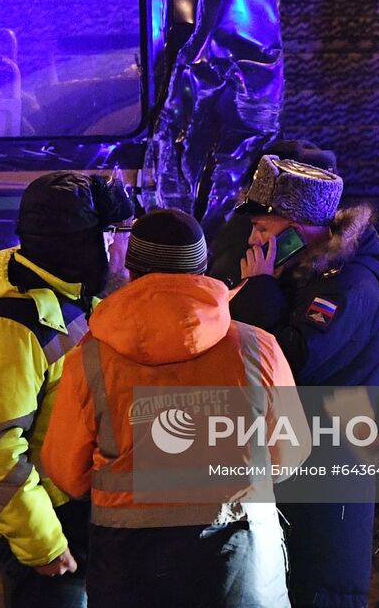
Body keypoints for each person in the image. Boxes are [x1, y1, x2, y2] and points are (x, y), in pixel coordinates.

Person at [42, 208, 304, 608]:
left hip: (131, 572)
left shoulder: (90, 358)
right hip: (240, 564)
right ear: (203, 269)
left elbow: (67, 473)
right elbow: (291, 454)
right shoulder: (257, 347)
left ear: (130, 272)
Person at [0, 171, 133, 608]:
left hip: (82, 519)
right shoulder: (12, 325)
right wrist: (42, 545)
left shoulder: (75, 298)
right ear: (92, 243)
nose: (128, 250)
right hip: (54, 533)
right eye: (121, 235)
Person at [228, 155, 379, 607]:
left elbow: (292, 361)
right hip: (310, 454)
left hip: (329, 463)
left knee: (320, 586)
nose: (254, 239)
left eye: (265, 229)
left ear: (299, 229)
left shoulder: (346, 286)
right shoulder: (311, 277)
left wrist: (258, 290)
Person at [207, 137, 339, 286]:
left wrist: (261, 286)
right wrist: (260, 286)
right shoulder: (247, 237)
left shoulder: (338, 280)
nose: (252, 239)